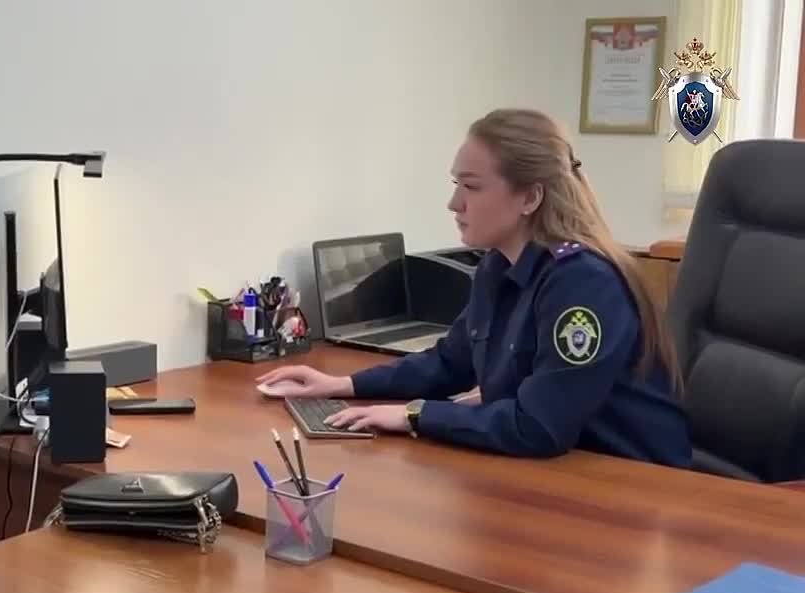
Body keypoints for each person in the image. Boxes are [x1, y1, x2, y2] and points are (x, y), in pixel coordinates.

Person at [259, 108, 691, 467]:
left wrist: (415, 415)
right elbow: (450, 363)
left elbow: (538, 427)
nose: (454, 204)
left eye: (471, 186)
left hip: (635, 487)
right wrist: (341, 385)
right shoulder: (496, 266)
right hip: (558, 475)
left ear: (530, 198)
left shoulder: (583, 283)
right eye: (456, 185)